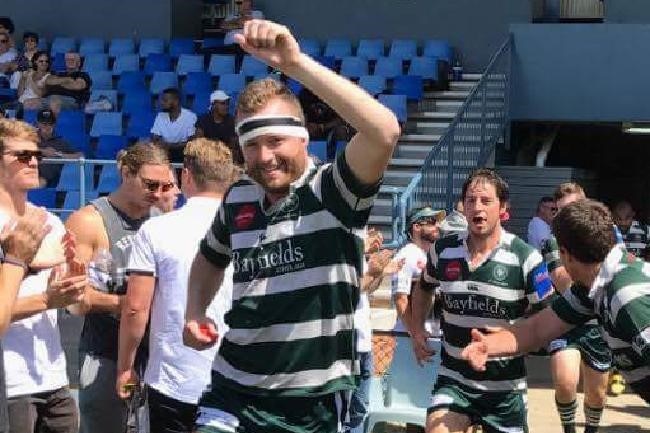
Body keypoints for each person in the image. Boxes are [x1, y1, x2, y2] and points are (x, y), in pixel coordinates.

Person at [184, 19, 400, 433]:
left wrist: (296, 64)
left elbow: (385, 130)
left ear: (302, 138)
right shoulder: (239, 198)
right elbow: (209, 260)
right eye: (251, 145)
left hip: (309, 402)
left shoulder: (333, 191)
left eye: (274, 140)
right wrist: (194, 310)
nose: (264, 156)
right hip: (233, 387)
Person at [462, 199, 650, 404]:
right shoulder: (592, 287)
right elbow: (538, 328)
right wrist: (487, 345)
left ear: (565, 254)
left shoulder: (626, 296)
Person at [410, 169, 554, 433]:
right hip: (454, 380)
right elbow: (423, 288)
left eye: (486, 201)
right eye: (470, 200)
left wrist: (512, 335)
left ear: (503, 208)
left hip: (505, 388)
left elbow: (549, 317)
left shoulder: (526, 258)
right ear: (462, 207)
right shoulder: (442, 251)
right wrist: (416, 329)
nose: (477, 207)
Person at [116, 138, 239, 433]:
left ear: (185, 176)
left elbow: (136, 307)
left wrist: (124, 368)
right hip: (235, 380)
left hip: (173, 382)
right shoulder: (249, 230)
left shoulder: (157, 229)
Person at [64, 142, 172, 433]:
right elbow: (72, 299)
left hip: (155, 355)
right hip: (105, 353)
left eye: (165, 186)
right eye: (151, 185)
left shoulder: (163, 219)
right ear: (126, 172)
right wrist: (126, 304)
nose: (158, 194)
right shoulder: (90, 222)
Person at [0, 118, 87, 433]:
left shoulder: (51, 221)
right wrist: (46, 300)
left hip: (54, 376)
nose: (34, 161)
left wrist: (76, 289)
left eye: (36, 154)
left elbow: (75, 308)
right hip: (10, 382)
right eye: (21, 156)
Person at [540, 183, 610, 433]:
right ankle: (568, 430)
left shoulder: (607, 235)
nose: (565, 216)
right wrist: (594, 288)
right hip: (566, 319)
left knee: (597, 394)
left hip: (596, 324)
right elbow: (560, 277)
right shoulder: (551, 242)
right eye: (559, 211)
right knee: (565, 381)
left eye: (571, 209)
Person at [393, 207, 445, 336]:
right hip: (408, 338)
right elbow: (400, 298)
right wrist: (416, 333)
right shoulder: (407, 255)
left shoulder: (429, 255)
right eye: (432, 221)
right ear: (416, 227)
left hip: (431, 334)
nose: (438, 226)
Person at [35, 108, 82, 187]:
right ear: (38, 123)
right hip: (27, 173)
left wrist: (58, 155)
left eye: (50, 123)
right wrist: (43, 152)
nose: (47, 126)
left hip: (44, 178)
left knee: (41, 182)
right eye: (44, 123)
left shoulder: (61, 141)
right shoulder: (29, 138)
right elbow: (19, 154)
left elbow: (80, 156)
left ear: (54, 124)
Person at [195, 90, 242, 165]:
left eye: (227, 104)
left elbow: (233, 146)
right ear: (213, 105)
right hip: (207, 159)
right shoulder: (203, 120)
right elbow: (199, 143)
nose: (226, 107)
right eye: (223, 104)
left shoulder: (231, 121)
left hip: (226, 160)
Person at [151, 88, 197, 163]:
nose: (162, 103)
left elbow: (191, 142)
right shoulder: (160, 116)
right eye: (162, 100)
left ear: (176, 101)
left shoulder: (190, 116)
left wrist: (170, 146)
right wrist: (164, 145)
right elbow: (155, 138)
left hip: (183, 154)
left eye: (165, 100)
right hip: (164, 154)